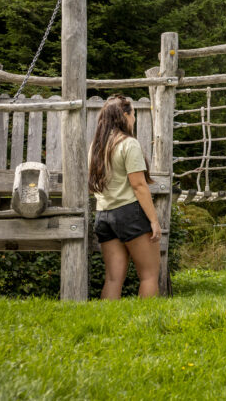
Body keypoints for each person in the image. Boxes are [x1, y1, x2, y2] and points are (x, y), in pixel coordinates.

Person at [88, 95, 161, 299]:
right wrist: (154, 221)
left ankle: (108, 318)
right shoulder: (129, 144)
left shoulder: (96, 147)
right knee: (149, 275)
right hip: (130, 214)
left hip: (103, 215)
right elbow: (138, 185)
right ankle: (148, 318)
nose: (134, 119)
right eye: (133, 114)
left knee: (113, 279)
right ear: (124, 116)